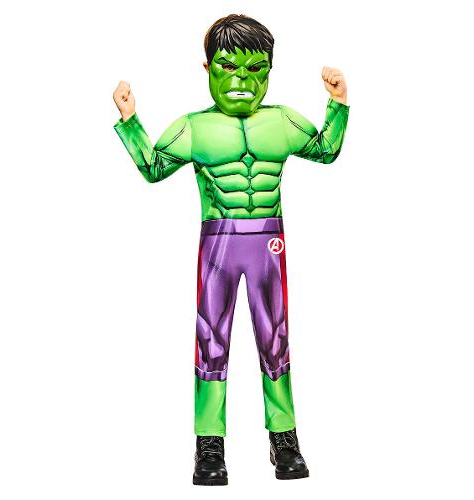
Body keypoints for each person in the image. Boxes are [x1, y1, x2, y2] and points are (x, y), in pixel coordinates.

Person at [113, 13, 349, 485]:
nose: (241, 81)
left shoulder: (281, 121)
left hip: (268, 243)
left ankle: (284, 438)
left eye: (255, 69)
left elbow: (325, 150)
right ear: (207, 67)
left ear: (269, 71)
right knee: (211, 342)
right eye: (227, 67)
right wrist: (130, 119)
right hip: (219, 242)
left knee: (275, 340)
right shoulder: (194, 128)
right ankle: (209, 444)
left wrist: (338, 103)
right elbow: (154, 168)